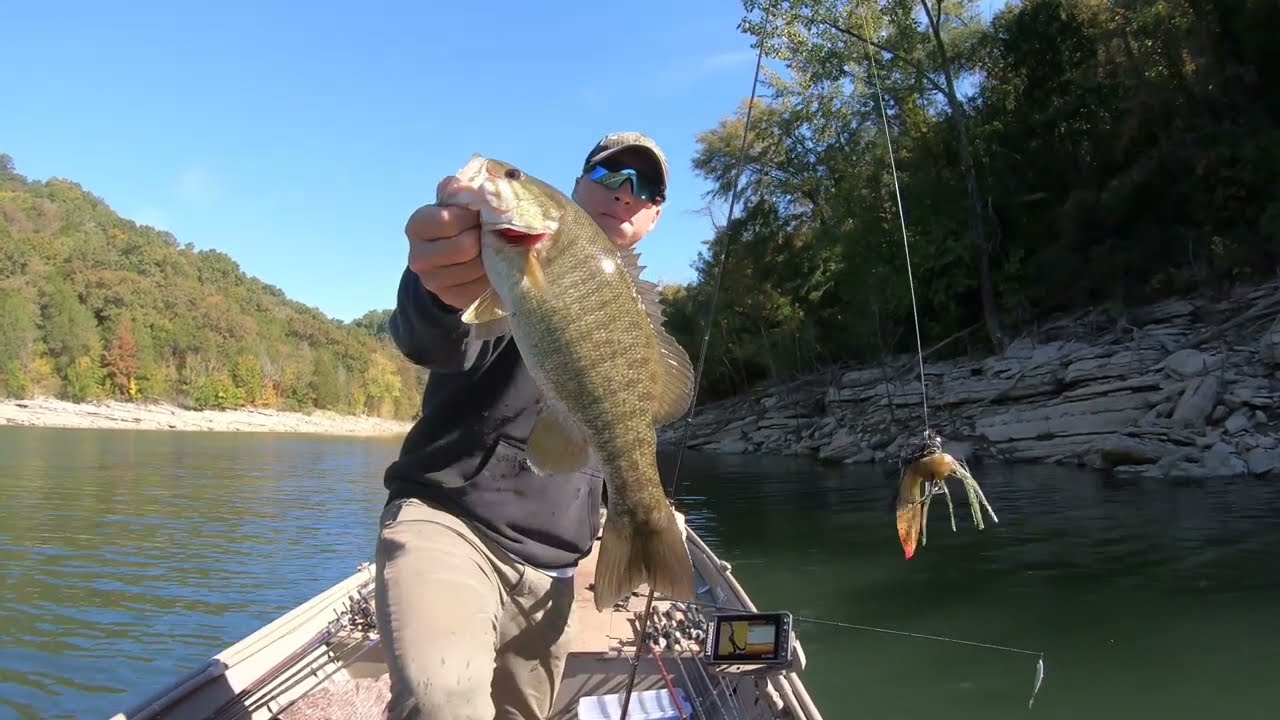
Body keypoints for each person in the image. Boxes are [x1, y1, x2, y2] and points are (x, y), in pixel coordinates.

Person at [374, 131, 678, 720]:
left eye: (644, 188)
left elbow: (619, 426)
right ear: (574, 188)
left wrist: (635, 507)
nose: (624, 193)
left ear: (654, 217)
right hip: (452, 524)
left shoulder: (633, 315)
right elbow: (435, 333)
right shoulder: (498, 262)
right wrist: (436, 285)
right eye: (609, 176)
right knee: (442, 702)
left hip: (555, 567)